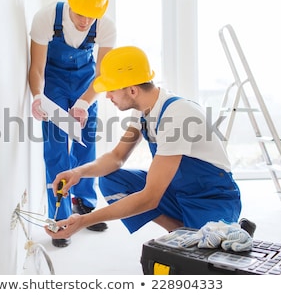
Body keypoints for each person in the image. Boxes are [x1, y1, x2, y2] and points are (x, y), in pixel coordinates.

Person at [45, 46, 243, 241]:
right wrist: (78, 172)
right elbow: (116, 158)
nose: (107, 96)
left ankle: (219, 230)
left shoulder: (177, 115)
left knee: (205, 251)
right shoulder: (143, 110)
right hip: (178, 190)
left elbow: (150, 198)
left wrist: (83, 221)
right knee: (110, 179)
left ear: (132, 90)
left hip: (211, 196)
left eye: (111, 90)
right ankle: (180, 231)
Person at [28, 0, 116, 248]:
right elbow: (37, 69)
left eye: (92, 16)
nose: (85, 21)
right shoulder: (45, 19)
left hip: (86, 86)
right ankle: (59, 218)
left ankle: (85, 204)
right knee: (56, 150)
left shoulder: (106, 26)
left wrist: (84, 102)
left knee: (86, 143)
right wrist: (37, 97)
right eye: (80, 14)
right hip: (52, 85)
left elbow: (102, 75)